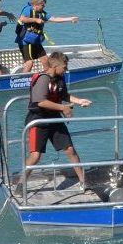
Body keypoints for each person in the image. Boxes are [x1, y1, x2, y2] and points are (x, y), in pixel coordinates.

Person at [24, 51, 93, 189]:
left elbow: (64, 95)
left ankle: (83, 181)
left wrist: (79, 101)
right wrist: (63, 108)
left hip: (54, 119)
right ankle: (21, 182)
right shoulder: (43, 79)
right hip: (39, 120)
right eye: (64, 67)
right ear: (55, 66)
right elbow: (41, 102)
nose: (66, 71)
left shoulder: (60, 79)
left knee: (70, 149)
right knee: (36, 156)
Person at [17, 0, 80, 67]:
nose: (44, 7)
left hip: (35, 40)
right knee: (29, 63)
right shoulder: (28, 9)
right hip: (25, 41)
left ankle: (48, 77)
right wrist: (36, 20)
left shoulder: (43, 13)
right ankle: (23, 78)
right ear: (36, 5)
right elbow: (22, 19)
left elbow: (54, 19)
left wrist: (70, 19)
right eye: (42, 5)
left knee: (45, 61)